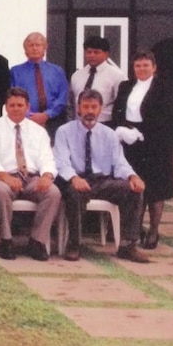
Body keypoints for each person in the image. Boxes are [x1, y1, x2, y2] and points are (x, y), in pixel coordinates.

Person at [54, 89, 148, 263]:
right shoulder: (64, 131)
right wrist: (74, 178)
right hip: (76, 179)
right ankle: (74, 244)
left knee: (133, 190)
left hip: (102, 181)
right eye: (86, 106)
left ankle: (128, 245)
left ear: (100, 109)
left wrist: (132, 176)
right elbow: (61, 162)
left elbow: (119, 163)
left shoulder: (109, 134)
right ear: (78, 108)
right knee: (74, 193)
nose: (90, 111)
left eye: (94, 107)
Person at [0, 87, 61, 261]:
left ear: (27, 107)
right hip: (5, 176)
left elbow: (47, 158)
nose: (16, 108)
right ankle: (6, 241)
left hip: (32, 178)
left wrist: (47, 176)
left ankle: (37, 241)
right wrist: (6, 177)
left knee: (53, 192)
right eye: (12, 105)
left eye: (20, 105)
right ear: (6, 106)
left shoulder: (38, 131)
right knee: (0, 191)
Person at [112, 50, 173, 250]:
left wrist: (143, 133)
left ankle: (154, 230)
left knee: (155, 189)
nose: (141, 69)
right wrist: (121, 128)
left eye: (145, 65)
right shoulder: (126, 86)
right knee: (134, 186)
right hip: (131, 142)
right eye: (138, 66)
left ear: (154, 67)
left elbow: (167, 116)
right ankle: (135, 228)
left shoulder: (166, 88)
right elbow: (118, 111)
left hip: (156, 142)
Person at [10, 32, 68, 140]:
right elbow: (12, 97)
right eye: (31, 45)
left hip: (53, 121)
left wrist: (46, 115)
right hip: (26, 121)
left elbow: (62, 97)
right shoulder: (15, 71)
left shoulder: (57, 71)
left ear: (44, 48)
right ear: (25, 50)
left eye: (38, 45)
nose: (34, 48)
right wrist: (29, 116)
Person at [68, 36, 126, 124]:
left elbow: (122, 105)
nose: (92, 55)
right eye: (89, 52)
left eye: (96, 52)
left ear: (106, 54)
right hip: (79, 125)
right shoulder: (77, 75)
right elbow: (71, 104)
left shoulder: (117, 76)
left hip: (105, 124)